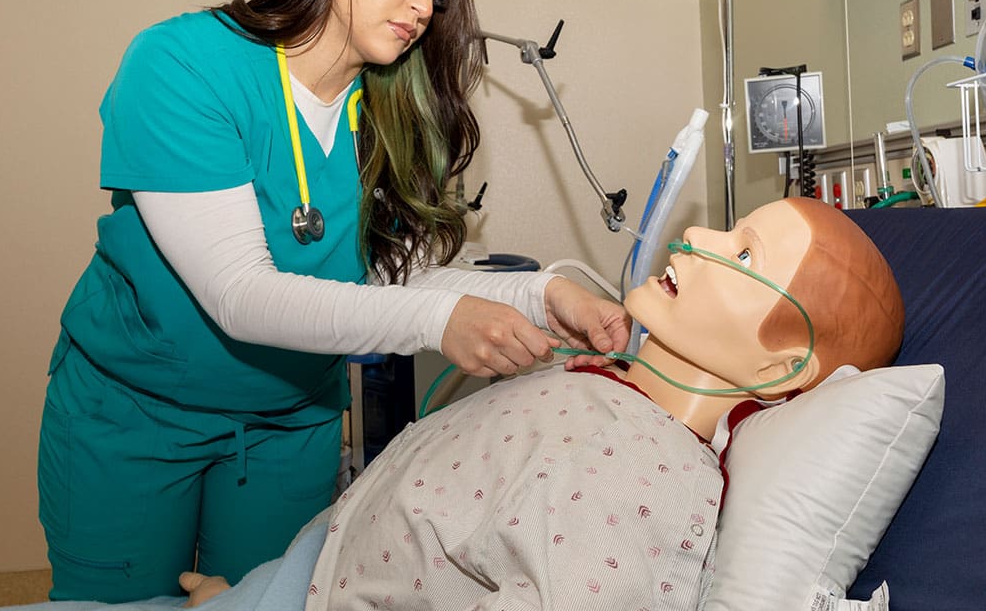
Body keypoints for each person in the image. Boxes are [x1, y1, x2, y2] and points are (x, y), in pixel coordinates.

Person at [38, 0, 628, 604]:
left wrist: (544, 295)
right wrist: (441, 323)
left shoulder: (390, 106)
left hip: (291, 422)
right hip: (136, 416)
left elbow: (389, 280)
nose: (422, 6)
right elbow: (239, 295)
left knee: (273, 596)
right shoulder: (184, 65)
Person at [172, 197, 905, 610]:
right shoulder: (610, 387)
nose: (695, 236)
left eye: (741, 255)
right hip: (328, 552)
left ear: (785, 365)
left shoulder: (647, 480)